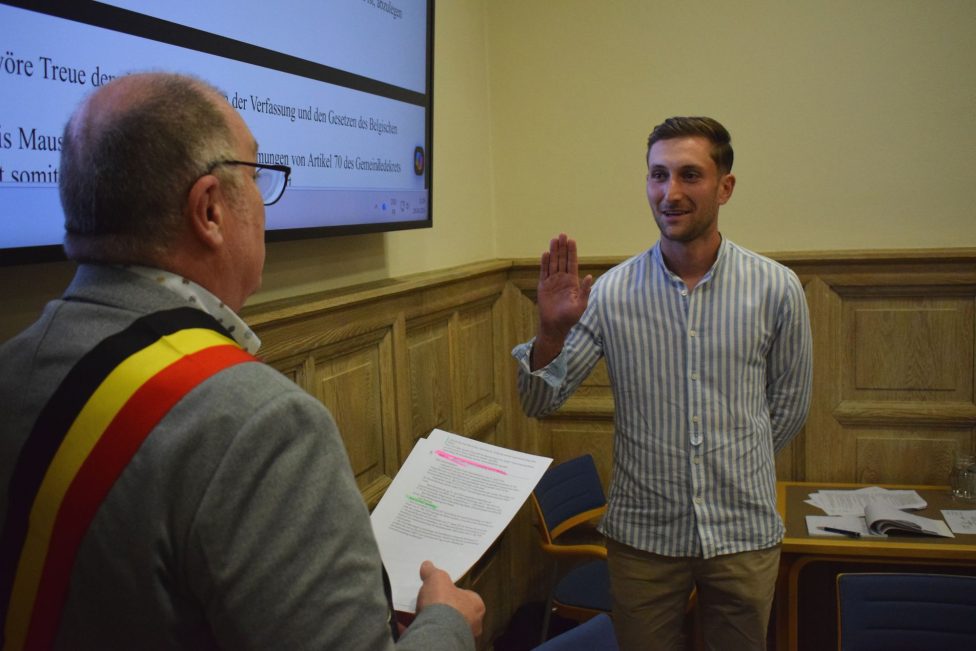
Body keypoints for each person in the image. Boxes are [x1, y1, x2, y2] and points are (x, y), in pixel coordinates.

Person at [0, 72, 483, 650]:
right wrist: (448, 623)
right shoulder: (262, 425)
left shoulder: (12, 368)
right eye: (256, 176)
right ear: (209, 210)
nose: (263, 201)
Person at [512, 117, 812, 650]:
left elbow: (789, 405)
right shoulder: (611, 292)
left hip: (742, 535)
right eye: (658, 175)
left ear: (725, 187)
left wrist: (736, 464)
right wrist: (550, 333)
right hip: (644, 542)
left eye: (689, 175)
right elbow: (539, 400)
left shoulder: (776, 289)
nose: (669, 193)